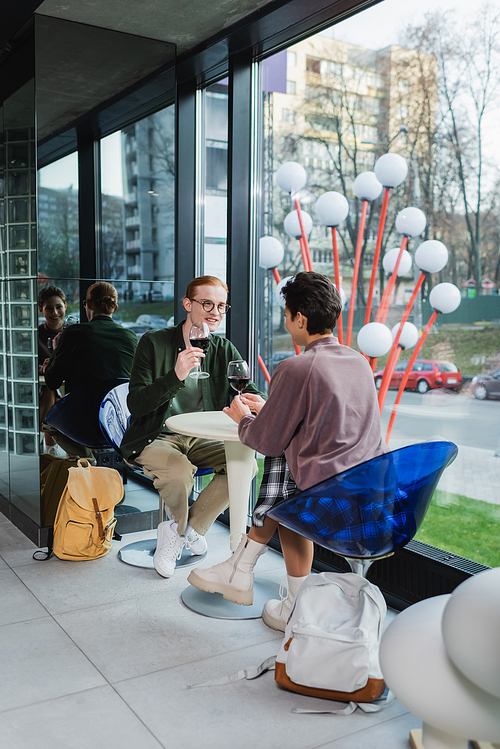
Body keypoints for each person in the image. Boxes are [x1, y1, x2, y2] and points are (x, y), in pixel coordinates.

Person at [188, 271, 387, 631]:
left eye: (286, 314)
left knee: (283, 471)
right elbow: (329, 425)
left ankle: (241, 568)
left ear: (300, 319)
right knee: (289, 479)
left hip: (329, 503)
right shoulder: (358, 361)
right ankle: (279, 593)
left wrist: (241, 417)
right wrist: (273, 411)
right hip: (370, 495)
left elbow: (264, 442)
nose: (285, 321)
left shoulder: (297, 366)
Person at [120, 275, 262, 579]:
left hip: (202, 437)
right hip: (156, 435)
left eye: (221, 306)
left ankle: (180, 532)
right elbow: (137, 404)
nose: (215, 312)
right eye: (207, 303)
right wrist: (176, 375)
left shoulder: (223, 349)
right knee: (179, 472)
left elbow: (251, 389)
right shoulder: (153, 343)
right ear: (188, 304)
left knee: (245, 466)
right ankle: (184, 532)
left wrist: (256, 401)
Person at [43, 282, 138, 458]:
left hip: (82, 423)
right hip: (119, 422)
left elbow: (52, 381)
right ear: (115, 307)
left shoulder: (73, 333)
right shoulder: (130, 337)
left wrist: (56, 350)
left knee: (49, 422)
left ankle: (85, 459)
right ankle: (94, 462)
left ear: (88, 304)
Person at [38, 286, 68, 455]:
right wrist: (43, 368)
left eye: (59, 307)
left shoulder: (72, 333)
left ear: (65, 306)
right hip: (43, 388)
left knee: (52, 386)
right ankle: (51, 450)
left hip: (67, 385)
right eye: (48, 308)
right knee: (50, 387)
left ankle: (49, 449)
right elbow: (23, 363)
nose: (55, 312)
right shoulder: (34, 334)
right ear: (40, 309)